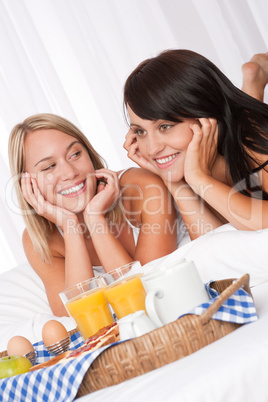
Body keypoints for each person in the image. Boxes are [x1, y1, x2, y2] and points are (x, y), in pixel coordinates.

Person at [8, 114, 178, 316]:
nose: (70, 172)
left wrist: (95, 219)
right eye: (49, 167)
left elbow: (149, 296)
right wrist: (70, 227)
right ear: (28, 185)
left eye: (75, 154)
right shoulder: (40, 239)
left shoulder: (142, 189)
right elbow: (78, 317)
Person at [123, 50, 268, 239]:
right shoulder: (187, 165)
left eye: (165, 126)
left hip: (251, 132)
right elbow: (212, 244)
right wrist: (175, 183)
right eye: (140, 131)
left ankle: (252, 85)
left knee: (247, 127)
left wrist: (201, 180)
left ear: (204, 117)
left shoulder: (258, 140)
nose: (152, 149)